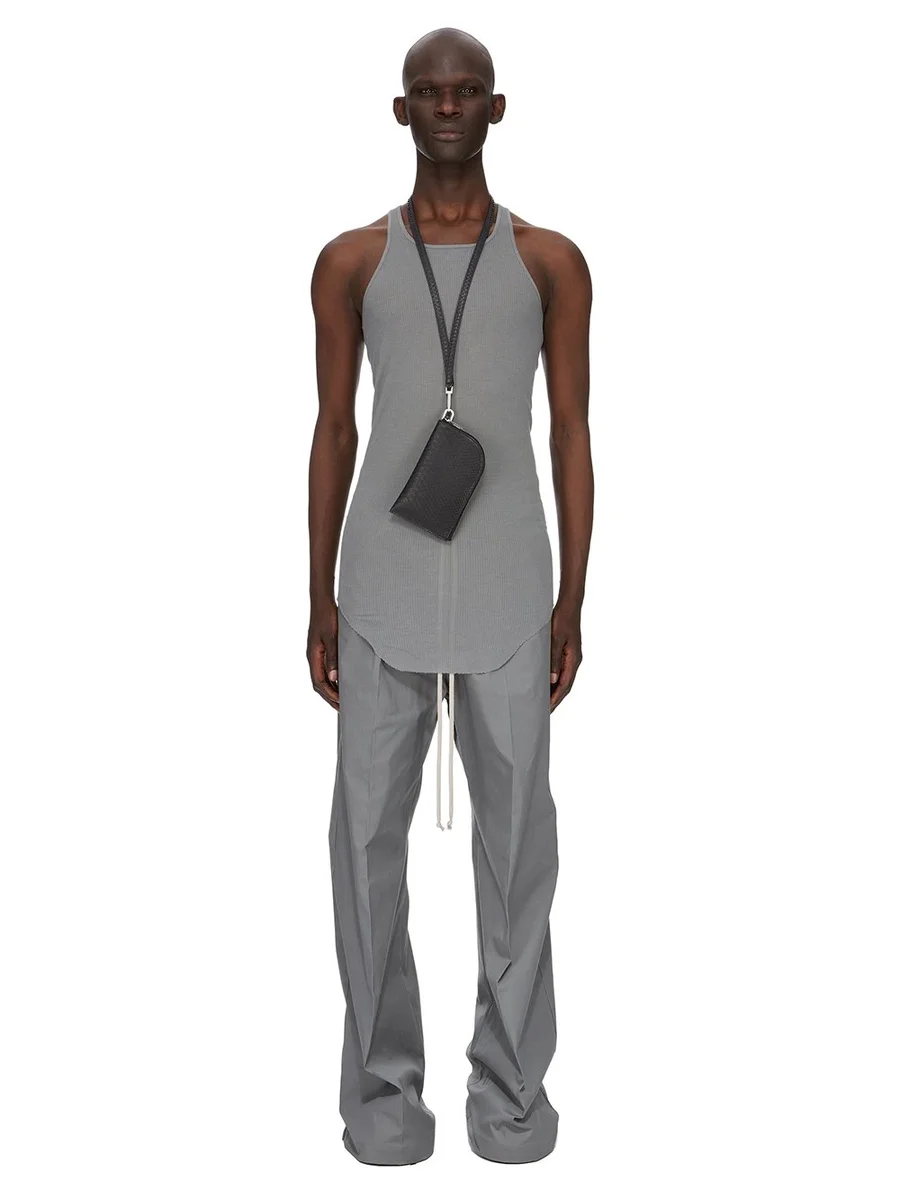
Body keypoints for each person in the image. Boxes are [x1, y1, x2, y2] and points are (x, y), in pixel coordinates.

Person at [307, 26, 593, 1165]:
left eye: (467, 90)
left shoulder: (551, 262)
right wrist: (319, 598)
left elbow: (571, 431)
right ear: (399, 110)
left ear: (497, 109)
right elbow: (334, 430)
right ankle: (384, 1107)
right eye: (428, 91)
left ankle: (510, 1103)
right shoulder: (350, 263)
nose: (446, 107)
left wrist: (574, 599)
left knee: (519, 856)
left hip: (512, 585)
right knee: (364, 854)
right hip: (380, 586)